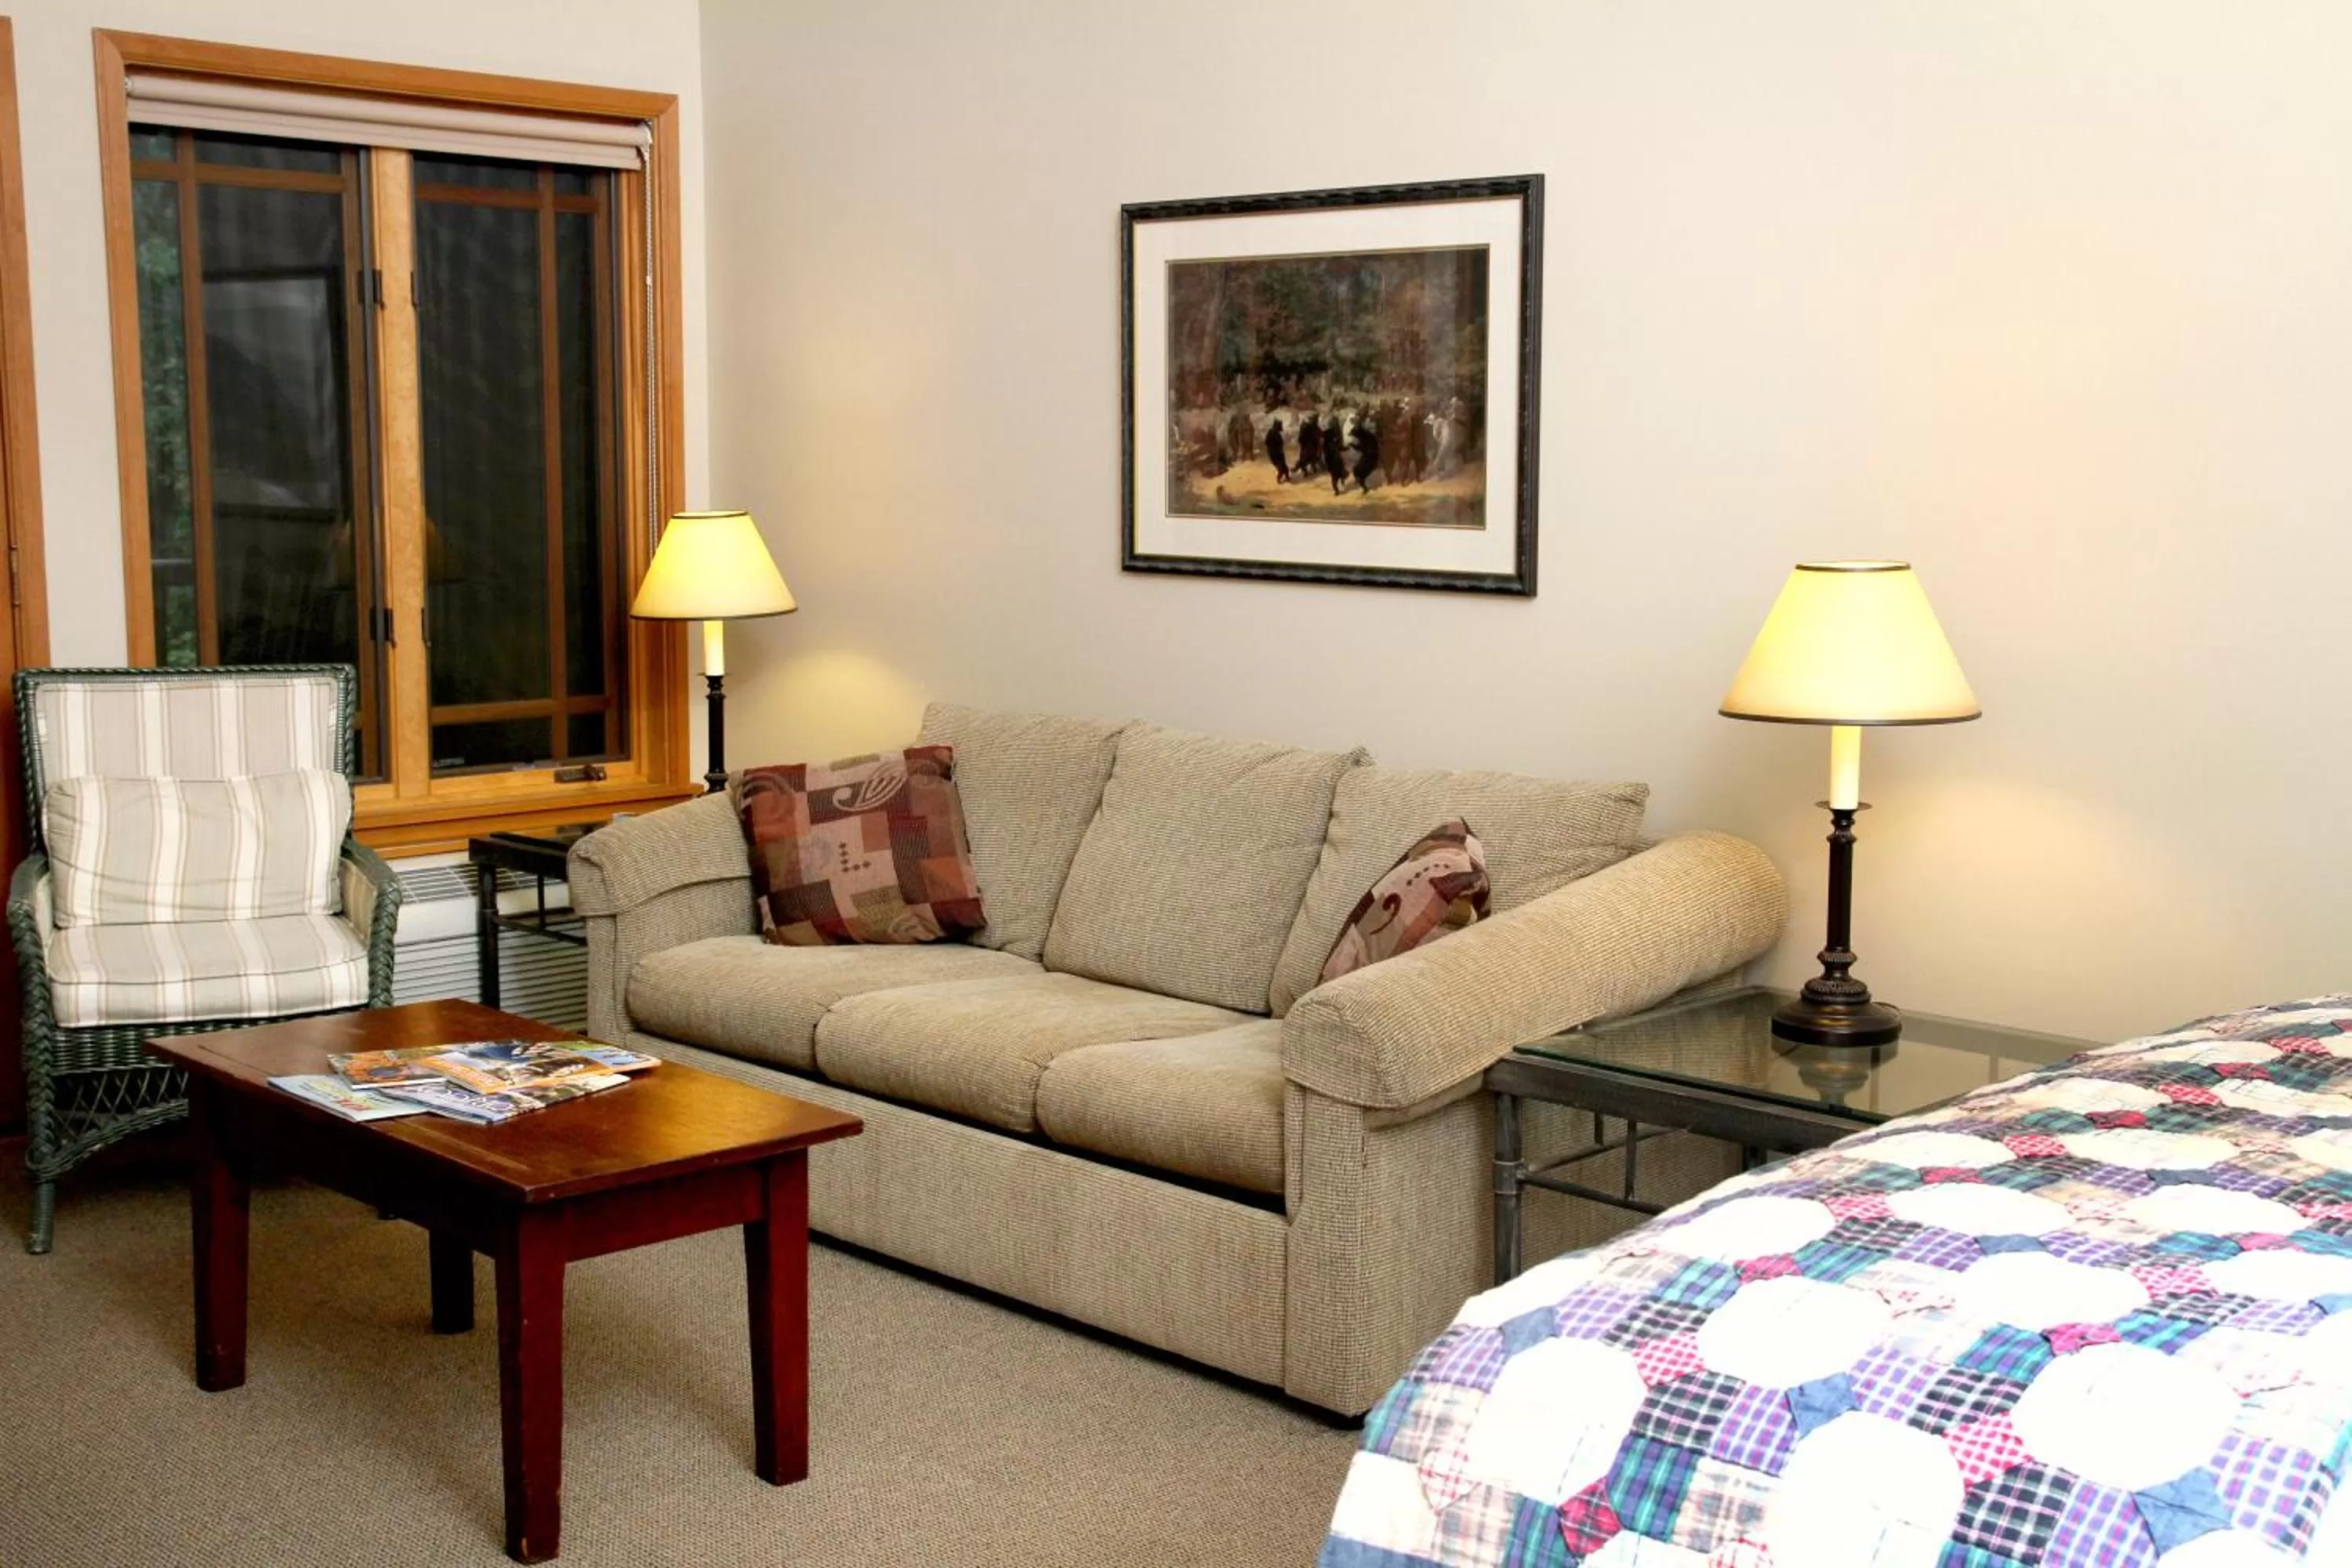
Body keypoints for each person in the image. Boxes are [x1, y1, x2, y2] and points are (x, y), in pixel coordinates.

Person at [1352, 416, 1381, 494]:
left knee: (1360, 472)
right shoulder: (1365, 435)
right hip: (1368, 455)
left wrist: (1353, 445)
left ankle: (1364, 486)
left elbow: (1362, 448)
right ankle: (1363, 486)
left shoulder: (1366, 436)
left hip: (1371, 457)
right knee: (1357, 470)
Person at [1263, 412, 1290, 482]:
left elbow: (1281, 443)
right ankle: (1279, 479)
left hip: (1280, 453)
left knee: (1285, 468)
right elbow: (1267, 442)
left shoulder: (1277, 433)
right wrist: (1274, 448)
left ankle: (1287, 478)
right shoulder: (1271, 433)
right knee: (1281, 469)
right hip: (1274, 455)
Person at [1298, 412, 1323, 478]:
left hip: (1311, 447)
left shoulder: (1313, 426)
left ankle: (1311, 470)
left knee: (1311, 459)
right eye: (1316, 419)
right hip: (1308, 447)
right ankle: (1306, 472)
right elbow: (1301, 437)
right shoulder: (1307, 427)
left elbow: (1320, 433)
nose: (1317, 421)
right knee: (1306, 461)